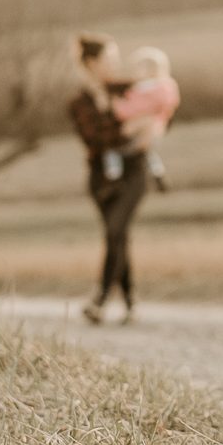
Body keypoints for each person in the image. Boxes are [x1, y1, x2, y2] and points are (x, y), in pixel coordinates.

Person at [68, 34, 148, 326]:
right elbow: (96, 139)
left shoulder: (129, 90)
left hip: (134, 171)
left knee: (116, 231)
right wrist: (128, 129)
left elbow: (162, 106)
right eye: (110, 59)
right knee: (118, 235)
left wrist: (150, 127)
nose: (116, 64)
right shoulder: (79, 102)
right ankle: (130, 302)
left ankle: (100, 298)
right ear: (92, 63)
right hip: (101, 178)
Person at [105, 47, 181, 192]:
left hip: (139, 128)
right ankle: (158, 174)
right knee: (148, 152)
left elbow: (131, 109)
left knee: (113, 148)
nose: (134, 72)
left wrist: (117, 106)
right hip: (155, 128)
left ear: (150, 70)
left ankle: (114, 177)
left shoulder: (144, 90)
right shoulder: (167, 88)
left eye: (138, 68)